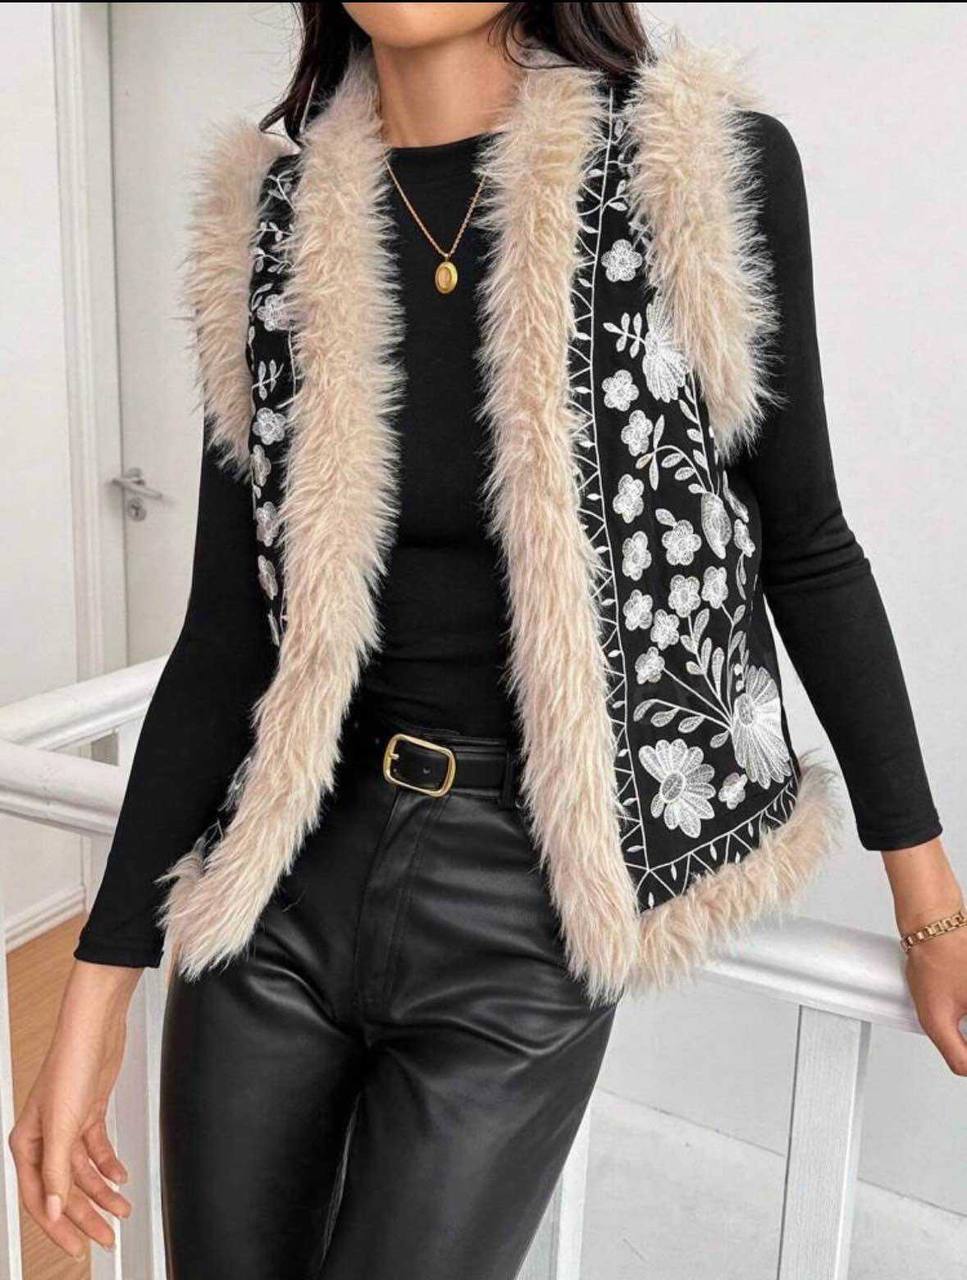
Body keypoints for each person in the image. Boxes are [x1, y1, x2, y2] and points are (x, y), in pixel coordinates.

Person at [11, 4, 966, 1277]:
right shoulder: (274, 224)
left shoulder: (689, 165)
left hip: (525, 902)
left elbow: (805, 543)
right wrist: (99, 984)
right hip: (280, 880)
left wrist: (928, 903)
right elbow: (226, 636)